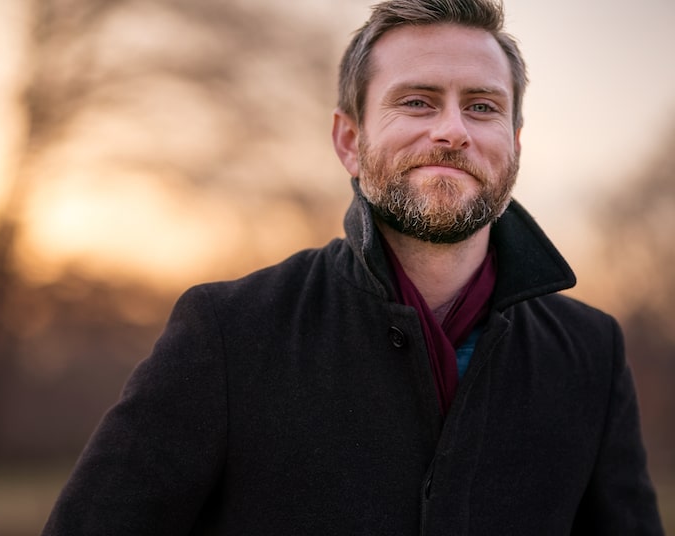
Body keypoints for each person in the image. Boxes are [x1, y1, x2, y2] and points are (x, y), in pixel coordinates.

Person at [42, 0, 664, 534]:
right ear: (349, 142)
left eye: (481, 107)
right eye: (417, 102)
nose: (452, 130)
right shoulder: (227, 333)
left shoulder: (591, 352)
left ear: (515, 142)